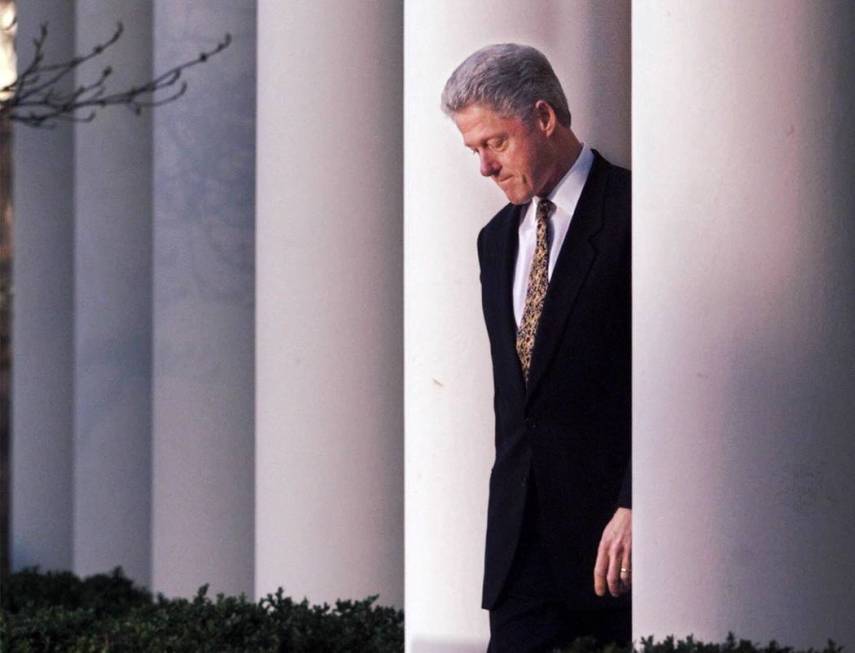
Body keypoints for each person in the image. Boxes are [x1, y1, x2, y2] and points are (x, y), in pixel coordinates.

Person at [441, 44, 632, 652]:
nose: (484, 168)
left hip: (613, 546)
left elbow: (671, 377)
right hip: (520, 555)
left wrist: (638, 502)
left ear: (544, 118)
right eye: (474, 150)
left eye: (494, 143)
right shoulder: (494, 241)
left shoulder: (636, 214)